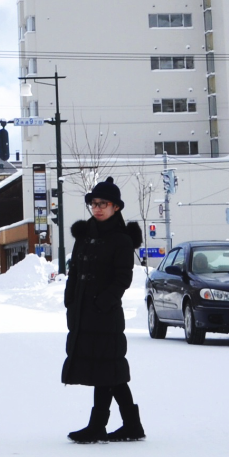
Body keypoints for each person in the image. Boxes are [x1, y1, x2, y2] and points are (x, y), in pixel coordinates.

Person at [62, 177, 145, 443]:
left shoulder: (120, 239)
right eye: (93, 204)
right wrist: (70, 299)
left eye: (103, 204)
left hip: (105, 315)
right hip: (83, 313)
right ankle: (132, 425)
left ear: (116, 207)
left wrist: (102, 302)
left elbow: (123, 278)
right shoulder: (84, 235)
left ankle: (97, 425)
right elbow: (74, 270)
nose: (97, 209)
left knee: (105, 369)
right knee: (110, 371)